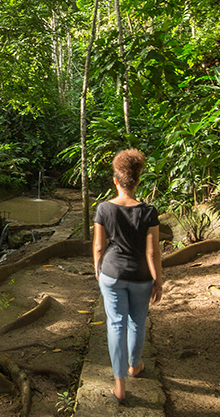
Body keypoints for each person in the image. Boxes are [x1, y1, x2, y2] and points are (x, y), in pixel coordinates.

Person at [93, 148, 163, 405]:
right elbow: (153, 251)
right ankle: (135, 366)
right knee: (137, 322)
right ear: (137, 180)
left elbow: (99, 247)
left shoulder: (103, 209)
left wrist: (98, 270)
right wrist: (158, 280)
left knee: (116, 324)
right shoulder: (149, 211)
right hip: (141, 276)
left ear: (116, 180)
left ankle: (119, 385)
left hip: (111, 274)